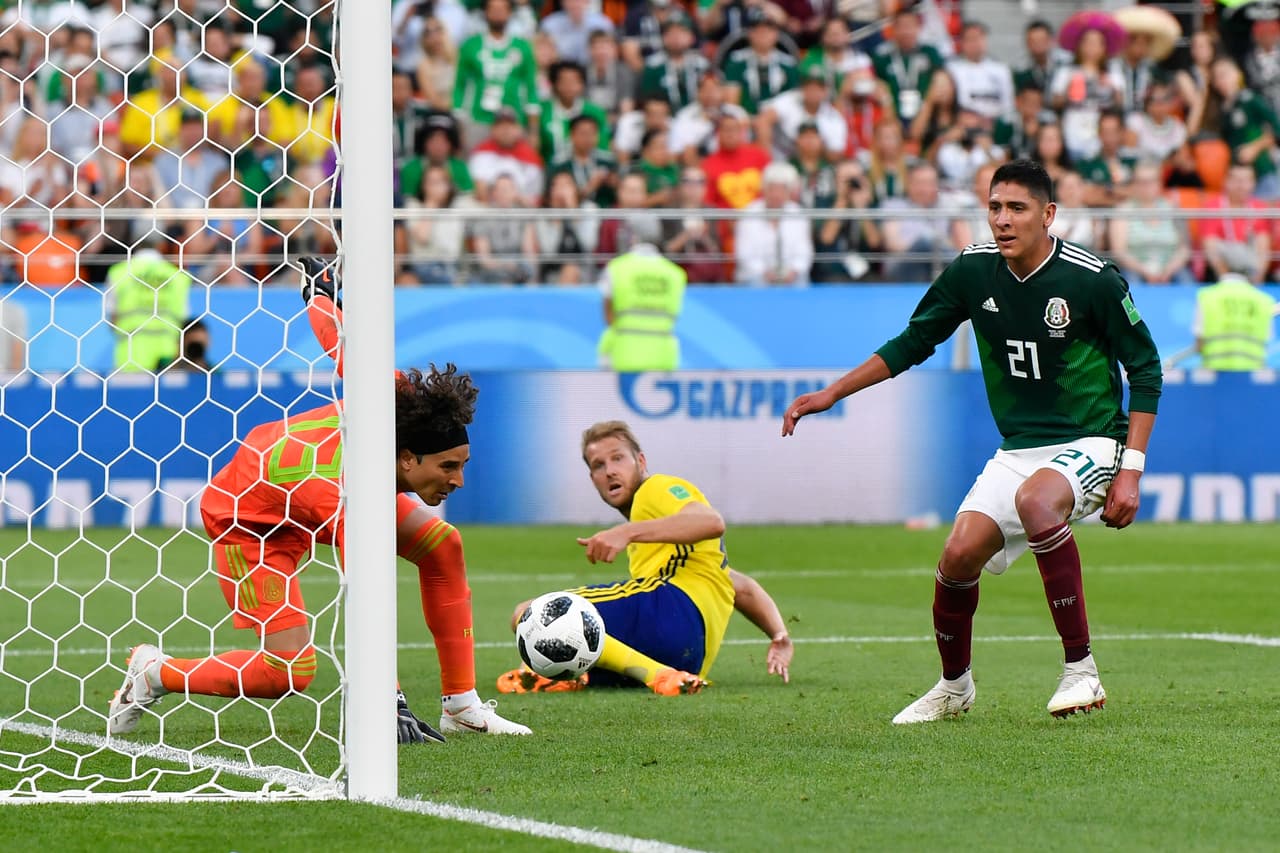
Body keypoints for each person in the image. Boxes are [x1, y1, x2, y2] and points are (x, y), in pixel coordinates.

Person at [782, 159, 1162, 723]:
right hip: (1018, 448)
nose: (1002, 220)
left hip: (1093, 440)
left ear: (1048, 214)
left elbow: (1146, 368)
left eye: (1017, 208)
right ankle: (953, 687)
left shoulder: (1093, 279)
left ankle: (1081, 671)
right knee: (958, 554)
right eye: (994, 207)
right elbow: (916, 339)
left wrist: (1131, 469)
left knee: (1037, 503)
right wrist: (833, 392)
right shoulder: (972, 271)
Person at [109, 257, 529, 740]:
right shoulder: (345, 497)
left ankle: (460, 706)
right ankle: (154, 672)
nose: (458, 481)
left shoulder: (396, 396)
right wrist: (386, 698)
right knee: (289, 672)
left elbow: (342, 343)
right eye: (449, 467)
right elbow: (365, 595)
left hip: (311, 487)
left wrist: (318, 295)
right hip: (248, 517)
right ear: (408, 459)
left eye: (463, 465)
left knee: (443, 546)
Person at [497, 420, 793, 695]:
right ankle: (576, 675)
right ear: (593, 479)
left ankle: (655, 674)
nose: (610, 470)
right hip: (689, 656)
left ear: (641, 461)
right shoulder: (673, 545)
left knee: (530, 612)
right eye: (599, 465)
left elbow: (711, 522)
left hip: (671, 606)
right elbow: (740, 587)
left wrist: (627, 532)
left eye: (618, 458)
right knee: (572, 650)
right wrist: (779, 635)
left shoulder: (655, 489)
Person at [105, 240, 192, 373]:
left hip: (131, 356)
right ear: (161, 245)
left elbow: (112, 318)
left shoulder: (119, 272)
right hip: (168, 356)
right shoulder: (177, 276)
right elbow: (185, 320)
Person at [596, 243, 686, 371]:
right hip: (662, 354)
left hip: (623, 351)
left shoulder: (617, 268)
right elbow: (675, 315)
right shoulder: (675, 274)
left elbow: (608, 315)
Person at [1192, 260, 1277, 371]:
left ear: (1223, 266)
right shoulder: (1264, 300)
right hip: (1252, 375)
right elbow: (1266, 342)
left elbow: (1200, 344)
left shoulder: (1207, 296)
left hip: (1215, 374)